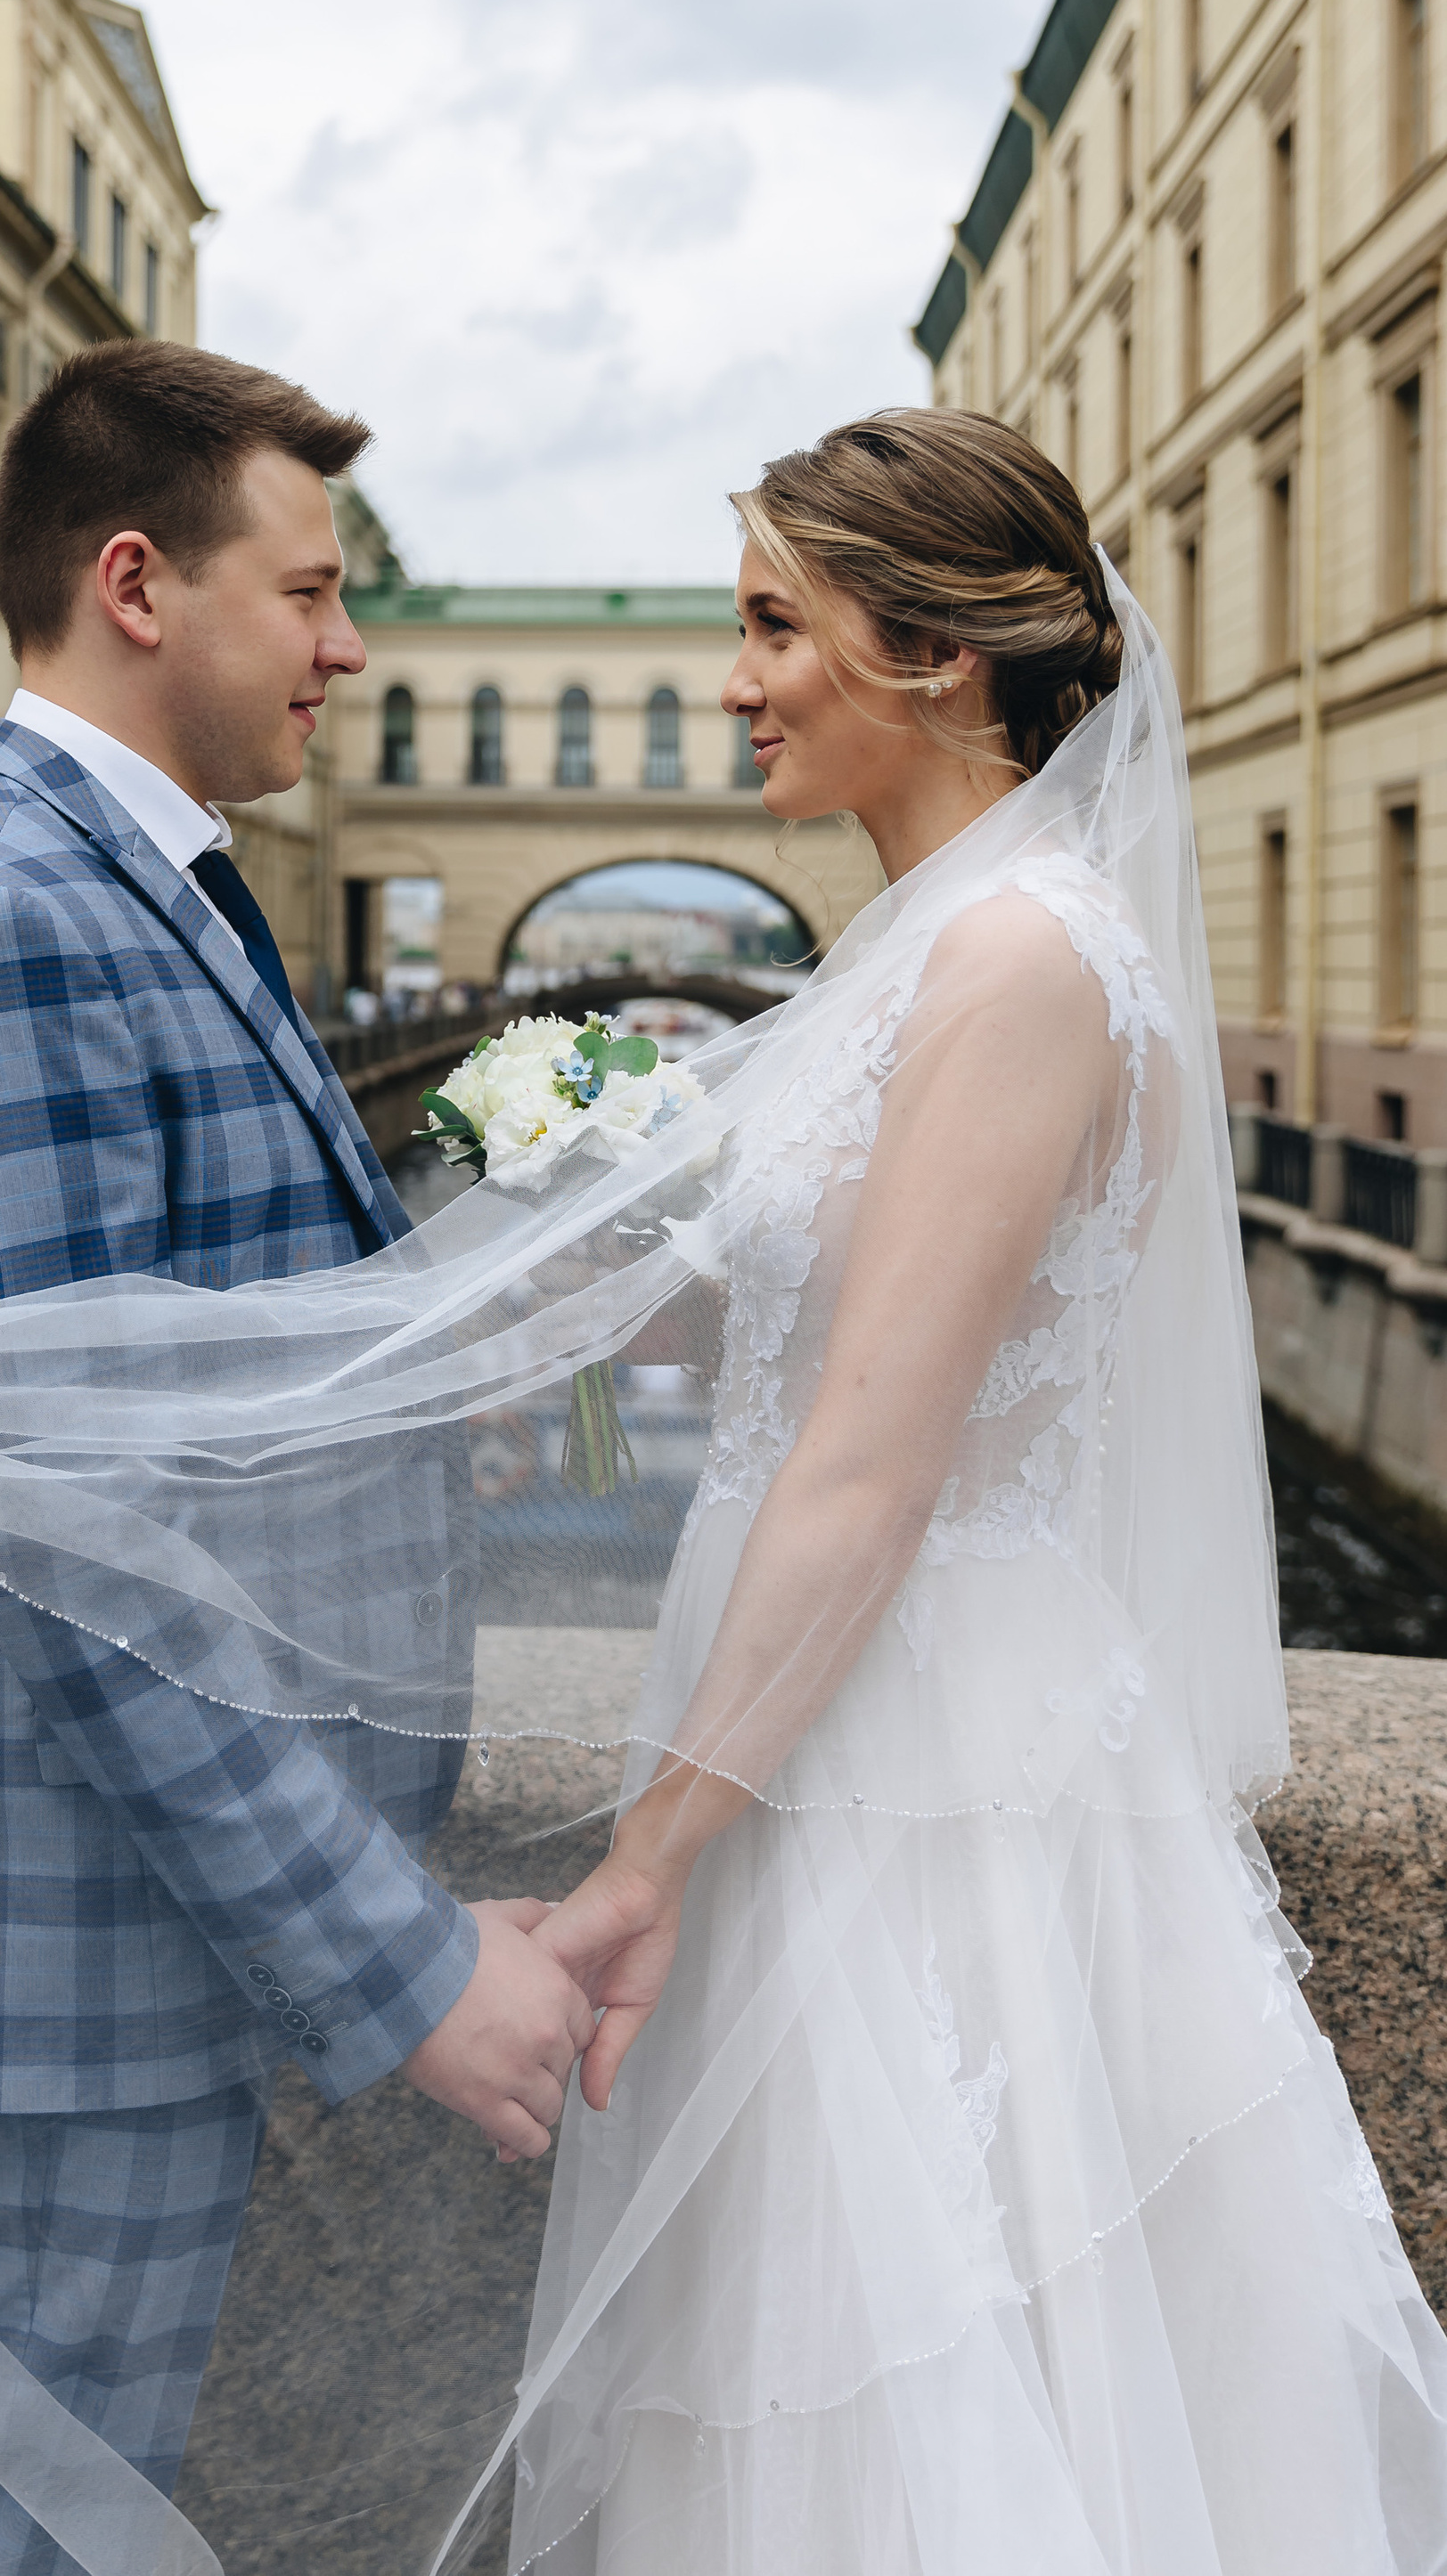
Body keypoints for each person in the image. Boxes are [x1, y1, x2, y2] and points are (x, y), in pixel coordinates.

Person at [498, 412, 1447, 2574]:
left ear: (931, 654)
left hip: (913, 1765)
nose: (731, 682)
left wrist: (647, 1855)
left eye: (772, 625)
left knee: (900, 2375)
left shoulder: (1012, 957)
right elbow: (828, 1346)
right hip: (815, 1717)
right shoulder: (925, 938)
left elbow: (871, 1462)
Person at [0, 338, 595, 2576]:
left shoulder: (128, 884)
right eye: (310, 594)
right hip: (73, 1954)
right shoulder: (2, 927)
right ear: (137, 586)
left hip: (147, 1930)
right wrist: (401, 1964)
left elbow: (190, 1410)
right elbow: (69, 1547)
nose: (348, 650)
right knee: (17, 2545)